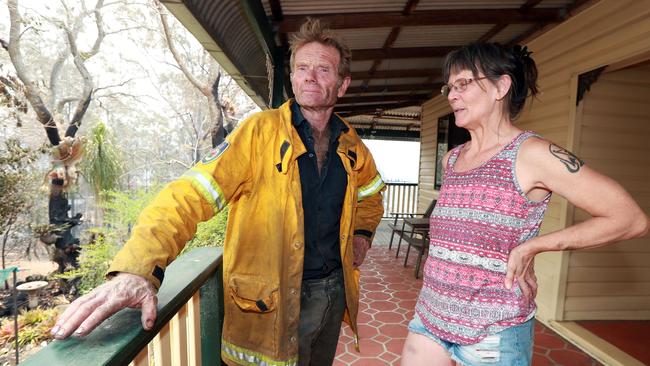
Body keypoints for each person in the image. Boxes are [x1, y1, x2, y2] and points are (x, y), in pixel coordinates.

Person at [51, 18, 385, 366]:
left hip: (331, 292)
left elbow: (371, 194)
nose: (310, 77)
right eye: (302, 67)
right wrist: (138, 269)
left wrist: (362, 232)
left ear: (342, 85)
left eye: (323, 69)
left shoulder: (352, 144)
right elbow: (189, 195)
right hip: (269, 300)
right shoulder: (259, 133)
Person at [401, 42, 649, 366]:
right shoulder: (452, 159)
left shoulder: (531, 154)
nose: (451, 95)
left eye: (463, 84)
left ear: (500, 86)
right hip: (431, 317)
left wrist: (531, 247)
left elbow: (630, 219)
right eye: (450, 86)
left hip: (494, 332)